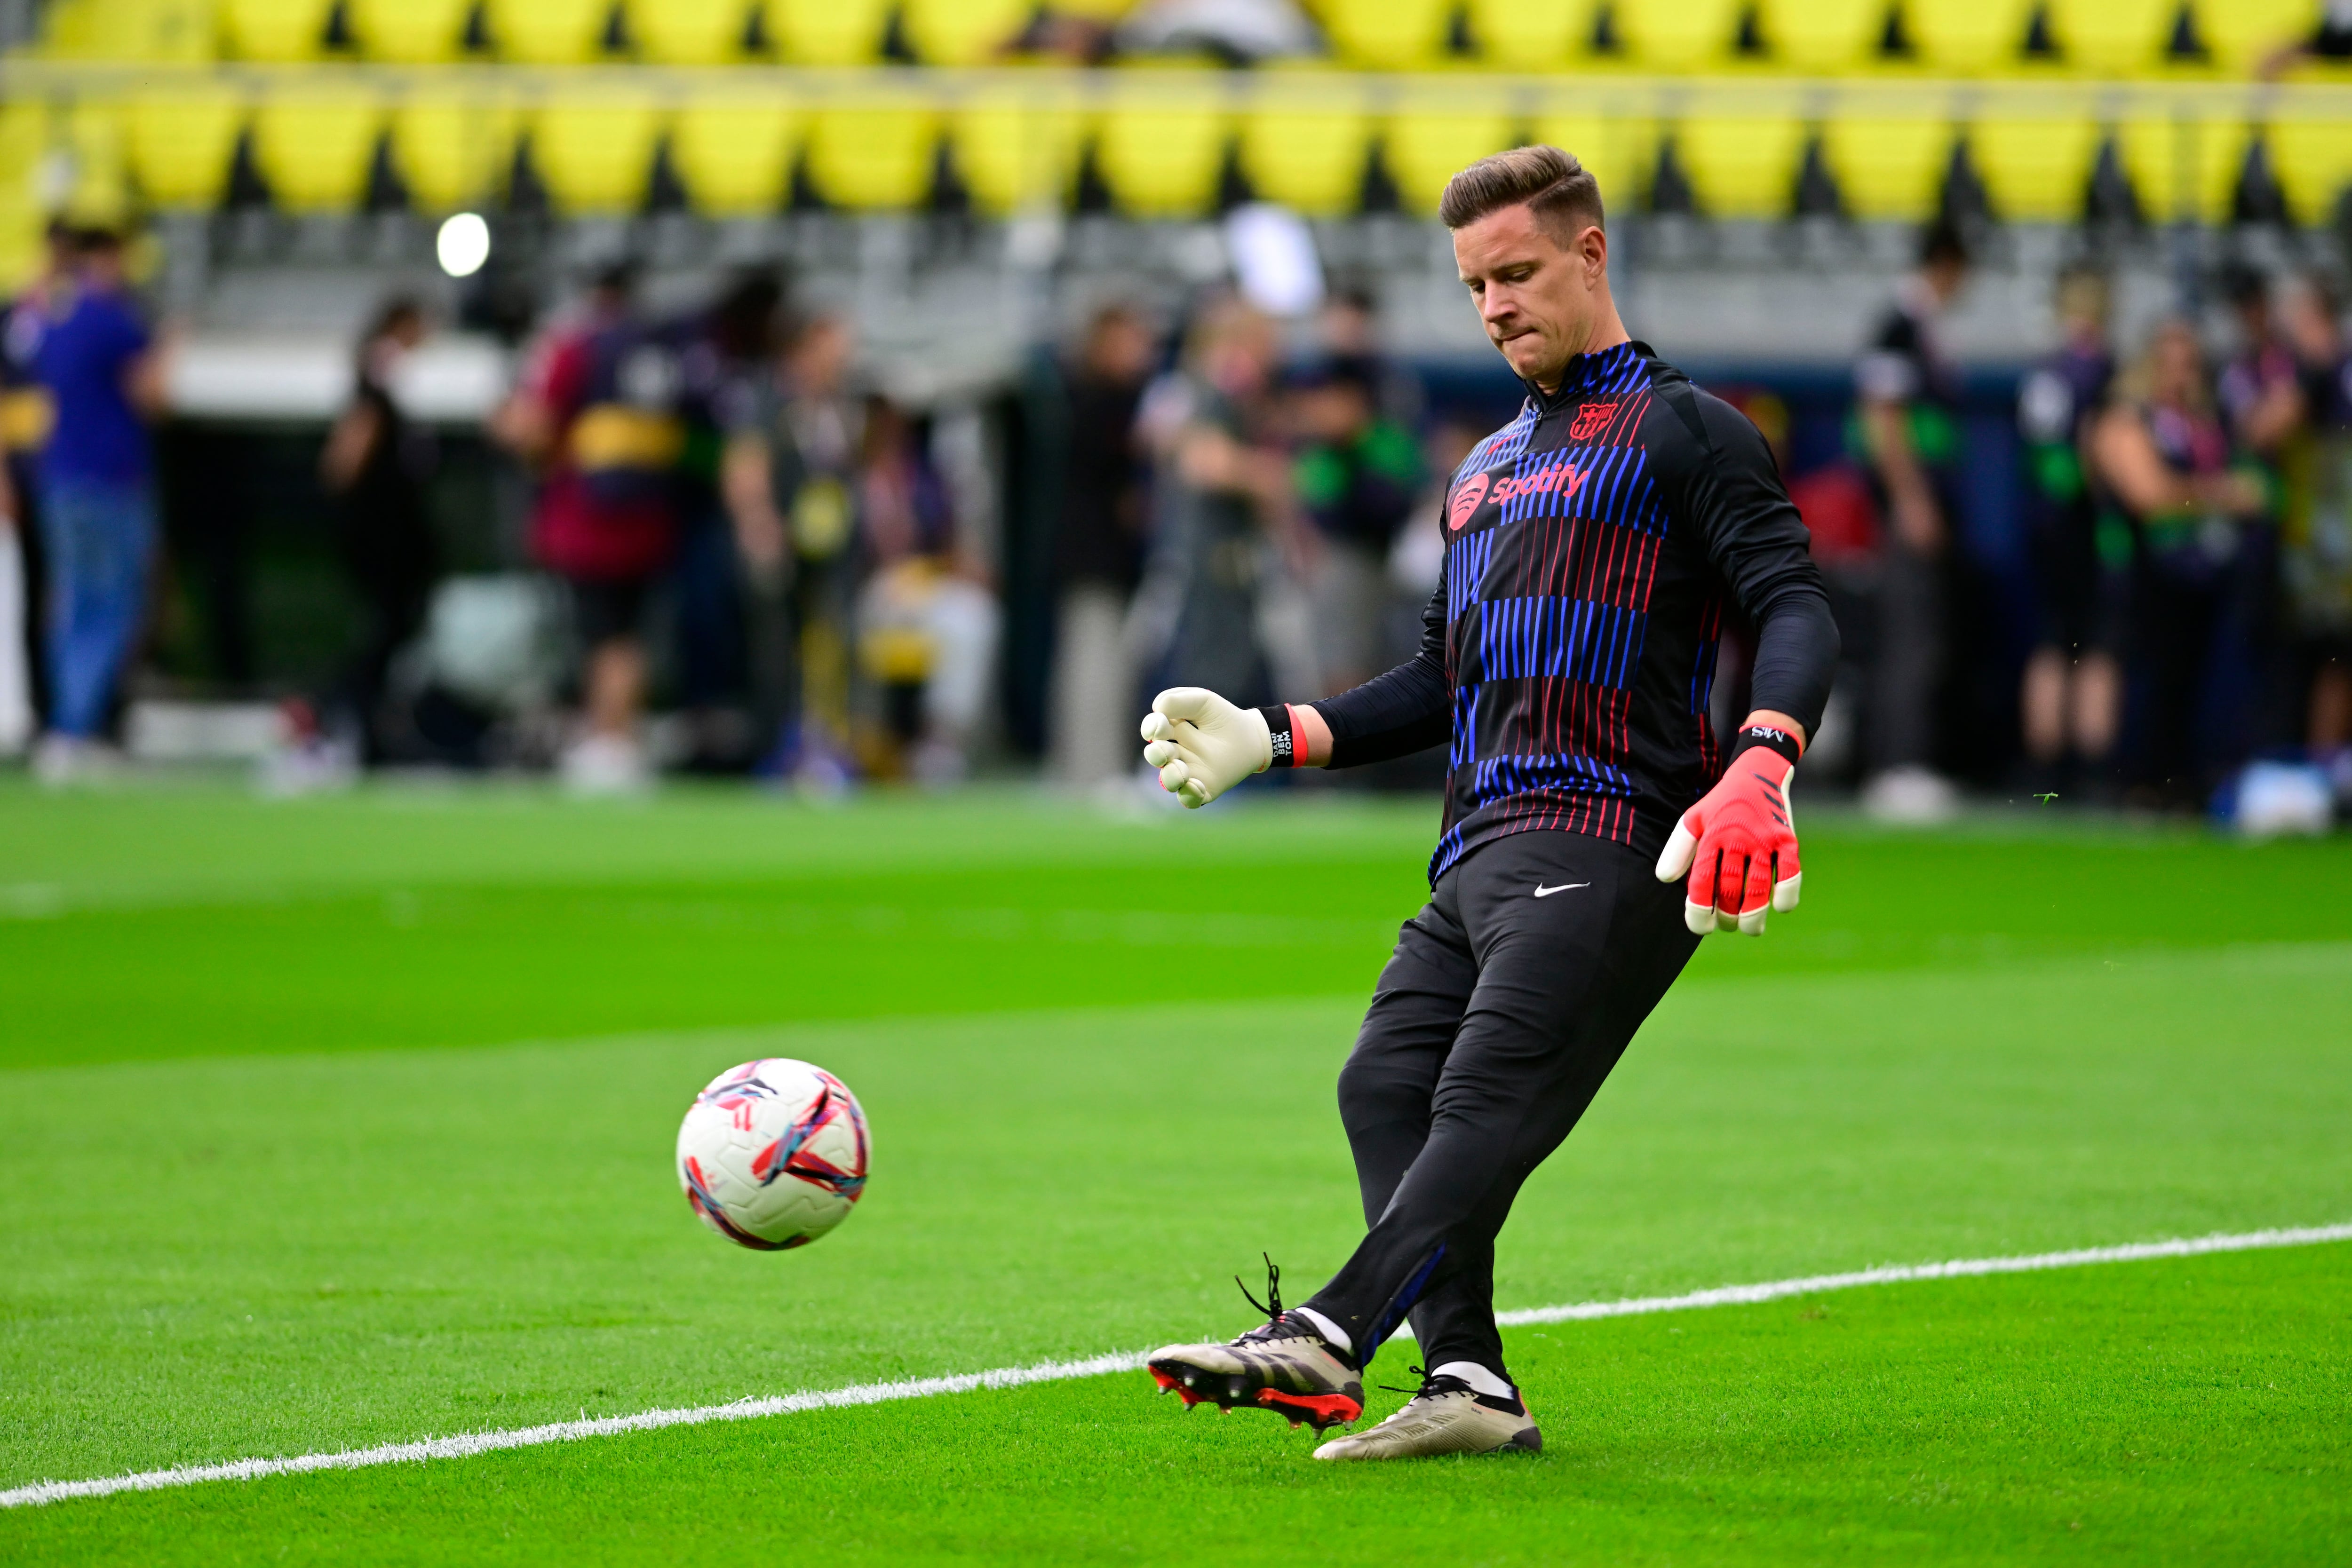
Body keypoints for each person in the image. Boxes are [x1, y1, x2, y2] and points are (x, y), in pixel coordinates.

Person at [1134, 145, 1837, 1461]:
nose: (1496, 304)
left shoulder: (1686, 428)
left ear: (1591, 254)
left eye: (1516, 272)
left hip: (1621, 831)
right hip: (1477, 846)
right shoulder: (1484, 468)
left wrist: (1764, 755)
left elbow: (1792, 600)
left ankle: (1331, 1331)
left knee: (1480, 1099)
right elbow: (1439, 678)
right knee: (1381, 1084)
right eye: (1472, 285)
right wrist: (1277, 733)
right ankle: (1466, 1375)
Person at [492, 263, 684, 792]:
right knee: (628, 634)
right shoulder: (656, 349)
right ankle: (619, 737)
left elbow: (536, 424)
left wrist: (512, 435)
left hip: (587, 519)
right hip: (648, 518)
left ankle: (609, 743)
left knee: (601, 633)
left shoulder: (575, 347)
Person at [2091, 320, 2267, 808]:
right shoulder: (2126, 419)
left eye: (2190, 364)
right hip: (2142, 573)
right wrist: (2220, 495)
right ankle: (2133, 783)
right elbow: (2149, 495)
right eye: (2170, 363)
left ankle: (2176, 781)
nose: (2181, 376)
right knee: (2147, 678)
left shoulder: (2202, 424)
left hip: (2197, 573)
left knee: (2189, 679)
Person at [29, 225, 168, 784]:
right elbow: (153, 397)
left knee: (74, 606)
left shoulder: (55, 320)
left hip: (59, 480)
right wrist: (170, 347)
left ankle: (64, 727)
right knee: (111, 606)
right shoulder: (114, 321)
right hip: (110, 482)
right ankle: (76, 727)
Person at [1853, 220, 1970, 821]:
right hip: (1908, 507)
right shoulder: (1898, 327)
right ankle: (1897, 766)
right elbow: (1883, 416)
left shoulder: (1916, 327)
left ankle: (1906, 761)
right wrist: (1911, 498)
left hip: (1921, 500)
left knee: (1922, 631)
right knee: (1911, 633)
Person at [722, 311, 862, 784]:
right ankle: (778, 752)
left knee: (829, 645)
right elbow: (745, 464)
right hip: (781, 544)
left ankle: (824, 746)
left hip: (828, 549)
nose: (839, 360)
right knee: (776, 650)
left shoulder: (839, 406)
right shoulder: (769, 398)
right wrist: (759, 523)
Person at [302, 298, 438, 768]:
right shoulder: (375, 388)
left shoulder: (387, 389)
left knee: (391, 634)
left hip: (391, 537)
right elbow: (343, 462)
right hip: (382, 537)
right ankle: (328, 715)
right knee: (382, 634)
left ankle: (361, 728)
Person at [2015, 266, 2127, 798]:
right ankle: (2089, 771)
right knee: (2095, 649)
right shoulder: (2103, 372)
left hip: (2045, 524)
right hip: (2087, 524)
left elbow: (2036, 453)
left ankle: (2046, 771)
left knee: (2053, 644)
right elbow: (2095, 448)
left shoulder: (2045, 372)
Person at [853, 395, 1000, 783]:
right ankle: (861, 741)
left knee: (973, 615)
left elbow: (944, 541)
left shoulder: (923, 477)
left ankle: (943, 740)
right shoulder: (850, 472)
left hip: (922, 581)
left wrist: (956, 567)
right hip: (867, 588)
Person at [1048, 304, 1154, 790]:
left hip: (1107, 560)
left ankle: (1096, 770)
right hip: (1093, 558)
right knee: (1094, 669)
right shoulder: (1098, 403)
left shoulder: (1115, 401)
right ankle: (1090, 774)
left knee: (1106, 667)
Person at [1287, 361, 1423, 696]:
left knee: (1367, 674)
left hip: (1383, 565)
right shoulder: (1318, 451)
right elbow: (1327, 513)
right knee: (1327, 674)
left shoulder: (1385, 441)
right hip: (1329, 568)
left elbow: (1390, 507)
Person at [2270, 276, 2352, 754]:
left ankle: (2324, 768)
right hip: (2324, 534)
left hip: (2329, 534)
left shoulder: (2320, 367)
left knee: (2331, 653)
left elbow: (2267, 427)